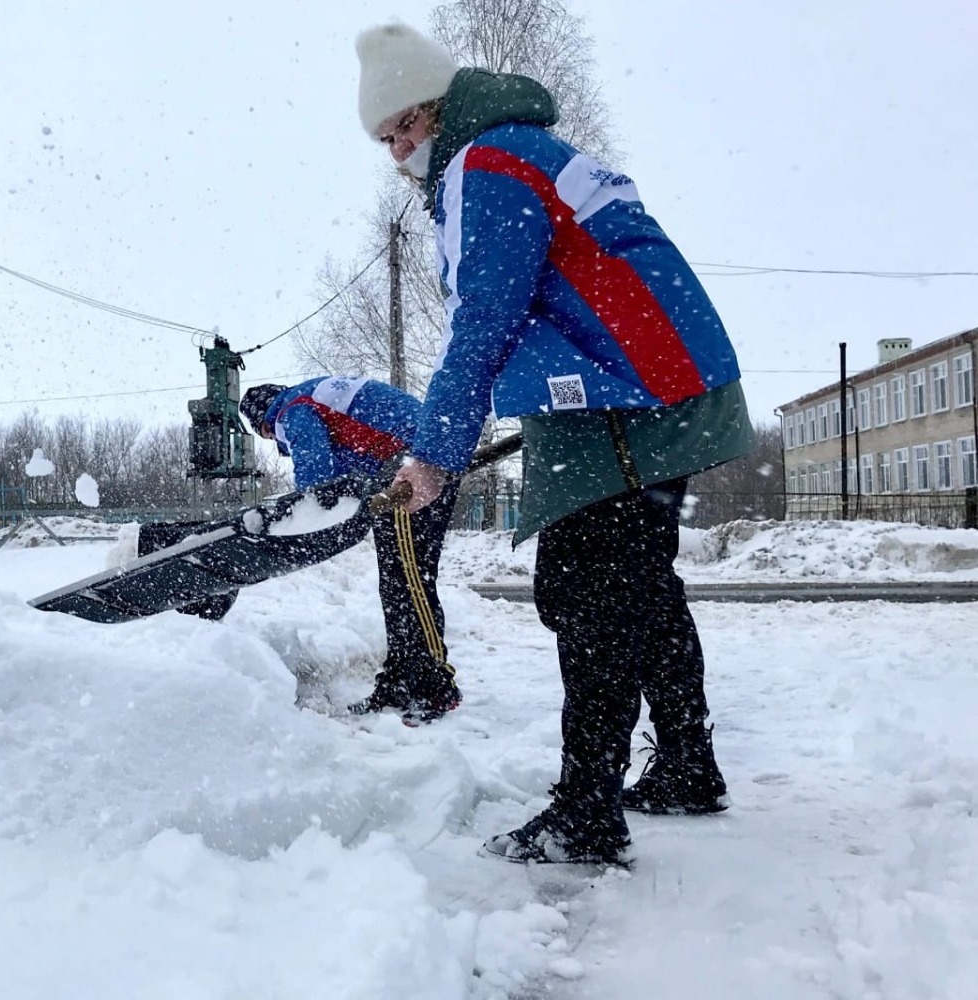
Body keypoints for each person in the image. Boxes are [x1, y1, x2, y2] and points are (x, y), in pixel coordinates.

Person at [353, 23, 755, 864]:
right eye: (384, 138)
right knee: (639, 583)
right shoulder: (529, 148)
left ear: (436, 107)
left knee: (587, 587)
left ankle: (586, 811)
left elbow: (485, 319)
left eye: (403, 128)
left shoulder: (487, 162)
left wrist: (434, 451)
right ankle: (685, 761)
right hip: (663, 381)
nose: (397, 153)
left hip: (621, 390)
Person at [239, 375, 463, 725]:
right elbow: (348, 470)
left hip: (412, 466)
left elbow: (317, 474)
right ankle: (400, 682)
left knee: (411, 582)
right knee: (396, 584)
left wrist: (301, 517)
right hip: (413, 460)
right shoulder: (311, 398)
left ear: (262, 425)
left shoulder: (290, 411)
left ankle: (435, 686)